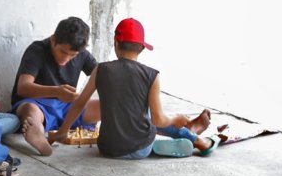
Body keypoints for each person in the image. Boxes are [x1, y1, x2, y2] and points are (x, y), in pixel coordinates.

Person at [46, 17, 218, 159]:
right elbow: (158, 121)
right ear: (143, 48)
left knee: (129, 110)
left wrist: (63, 132)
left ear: (116, 43)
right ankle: (187, 138)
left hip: (107, 149)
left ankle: (181, 137)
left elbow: (79, 103)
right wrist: (175, 119)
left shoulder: (100, 70)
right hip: (139, 150)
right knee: (147, 114)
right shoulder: (152, 75)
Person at [10, 16, 100, 156]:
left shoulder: (82, 54)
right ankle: (37, 133)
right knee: (30, 111)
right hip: (38, 105)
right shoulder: (37, 50)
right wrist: (56, 92)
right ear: (53, 40)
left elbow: (101, 75)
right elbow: (23, 87)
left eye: (72, 55)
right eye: (63, 52)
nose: (66, 58)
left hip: (67, 108)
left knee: (104, 106)